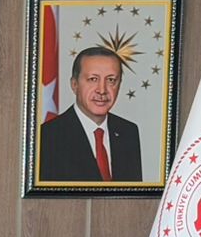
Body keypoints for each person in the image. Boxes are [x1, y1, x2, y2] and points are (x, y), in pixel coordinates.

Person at [37, 45, 143, 184]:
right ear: (74, 84)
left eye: (111, 80)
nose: (102, 90)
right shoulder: (48, 136)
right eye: (93, 79)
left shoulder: (128, 132)